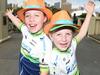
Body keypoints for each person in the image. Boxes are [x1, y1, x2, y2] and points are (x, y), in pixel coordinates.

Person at [44, 1, 95, 75]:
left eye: (68, 34)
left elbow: (82, 33)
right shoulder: (50, 55)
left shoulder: (72, 44)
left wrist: (89, 14)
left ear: (72, 35)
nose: (64, 39)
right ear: (51, 36)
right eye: (59, 34)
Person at [5, 0, 53, 75]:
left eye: (36, 15)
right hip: (22, 62)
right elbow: (18, 23)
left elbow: (44, 70)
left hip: (33, 69)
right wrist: (10, 15)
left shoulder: (46, 43)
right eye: (27, 15)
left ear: (44, 19)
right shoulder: (26, 30)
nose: (31, 19)